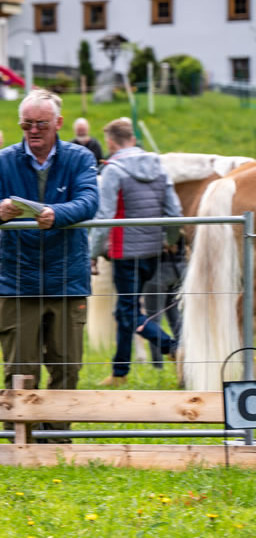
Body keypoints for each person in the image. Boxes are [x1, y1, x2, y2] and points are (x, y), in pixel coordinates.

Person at [0, 90, 99, 438]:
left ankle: (57, 435)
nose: (33, 130)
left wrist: (58, 214)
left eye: (41, 123)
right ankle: (21, 435)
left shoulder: (80, 158)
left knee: (67, 365)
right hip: (17, 281)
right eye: (26, 124)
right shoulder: (1, 162)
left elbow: (89, 200)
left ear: (58, 123)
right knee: (19, 367)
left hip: (67, 279)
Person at [91, 117, 180, 386]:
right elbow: (174, 212)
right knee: (125, 311)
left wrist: (92, 253)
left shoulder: (113, 170)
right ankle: (120, 372)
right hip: (152, 250)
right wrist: (170, 240)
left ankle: (171, 347)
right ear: (132, 137)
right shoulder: (159, 166)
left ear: (111, 142)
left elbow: (104, 216)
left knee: (128, 312)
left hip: (123, 252)